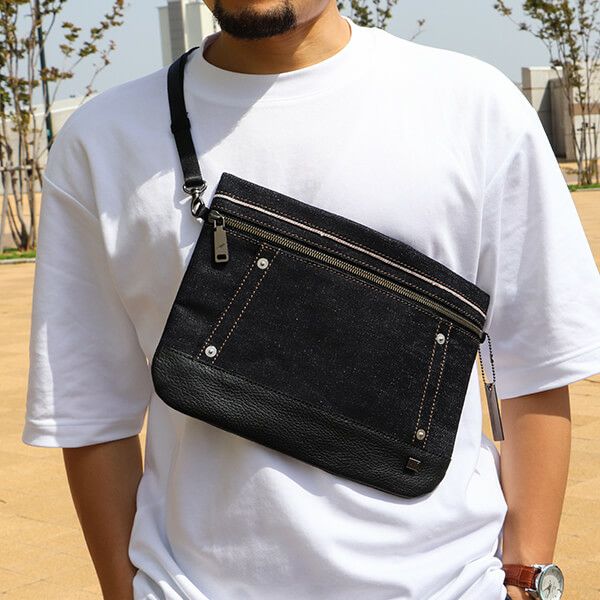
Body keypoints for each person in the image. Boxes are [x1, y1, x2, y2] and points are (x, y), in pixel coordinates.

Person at [21, 1, 600, 599]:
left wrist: (527, 577)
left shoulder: (474, 106)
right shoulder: (103, 140)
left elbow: (536, 364)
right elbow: (91, 414)